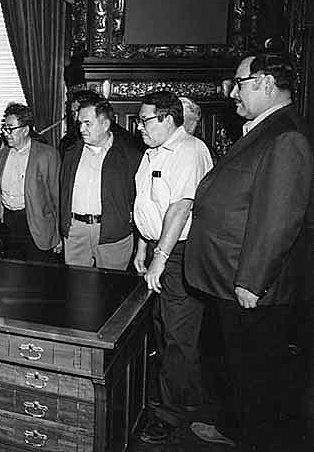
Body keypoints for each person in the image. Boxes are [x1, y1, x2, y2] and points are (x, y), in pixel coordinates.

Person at [185, 53, 314, 451]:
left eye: (239, 83)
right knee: (237, 372)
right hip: (229, 277)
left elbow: (279, 218)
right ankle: (235, 428)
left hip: (251, 287)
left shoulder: (286, 136)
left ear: (265, 83)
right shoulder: (264, 129)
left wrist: (251, 282)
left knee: (256, 381)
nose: (232, 92)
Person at [132, 91, 213, 444]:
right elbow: (148, 202)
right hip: (158, 249)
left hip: (178, 254)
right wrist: (142, 247)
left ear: (168, 119)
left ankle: (168, 417)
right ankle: (190, 400)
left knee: (178, 335)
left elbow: (180, 209)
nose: (139, 127)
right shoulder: (153, 151)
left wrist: (159, 261)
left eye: (146, 120)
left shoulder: (190, 151)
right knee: (164, 327)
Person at [60, 98, 141, 270]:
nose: (81, 129)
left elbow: (137, 198)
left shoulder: (129, 155)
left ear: (105, 124)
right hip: (76, 232)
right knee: (76, 288)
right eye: (80, 123)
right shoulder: (71, 153)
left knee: (111, 290)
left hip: (112, 233)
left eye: (88, 124)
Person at [0, 103, 60, 261]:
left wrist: (58, 236)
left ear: (25, 130)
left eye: (11, 129)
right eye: (5, 128)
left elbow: (57, 197)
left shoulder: (47, 155)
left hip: (36, 224)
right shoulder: (1, 155)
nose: (6, 133)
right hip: (8, 224)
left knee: (37, 278)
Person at [59, 89, 102, 157]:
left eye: (78, 111)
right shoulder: (67, 142)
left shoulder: (117, 139)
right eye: (73, 113)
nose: (76, 118)